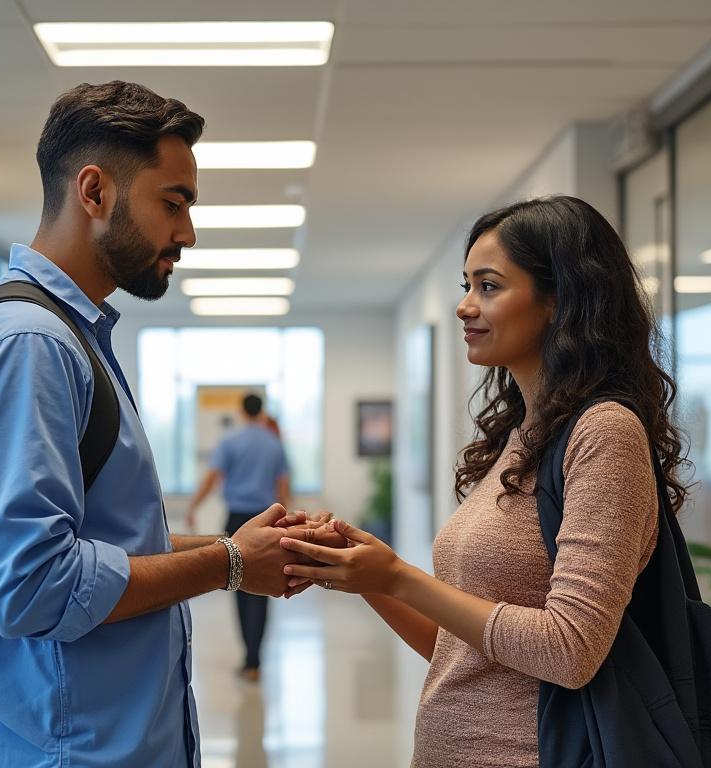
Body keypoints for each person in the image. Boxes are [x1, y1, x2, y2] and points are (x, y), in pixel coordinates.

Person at [0, 81, 333, 768]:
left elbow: (102, 539)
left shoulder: (72, 341)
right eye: (174, 202)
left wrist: (243, 546)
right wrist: (228, 564)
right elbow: (30, 587)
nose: (187, 233)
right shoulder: (30, 345)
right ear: (95, 191)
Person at [278, 196, 689, 767]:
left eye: (489, 286)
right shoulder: (524, 436)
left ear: (558, 301)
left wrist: (397, 577)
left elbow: (571, 650)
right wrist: (366, 574)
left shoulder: (604, 433)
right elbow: (460, 654)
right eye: (466, 284)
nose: (465, 307)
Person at [186, 393, 291, 681]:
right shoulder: (274, 443)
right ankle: (255, 660)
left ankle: (249, 657)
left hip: (238, 520)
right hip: (268, 518)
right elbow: (283, 485)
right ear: (261, 411)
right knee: (265, 587)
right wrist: (287, 520)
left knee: (239, 582)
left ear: (243, 412)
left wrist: (194, 505)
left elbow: (212, 478)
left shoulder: (231, 441)